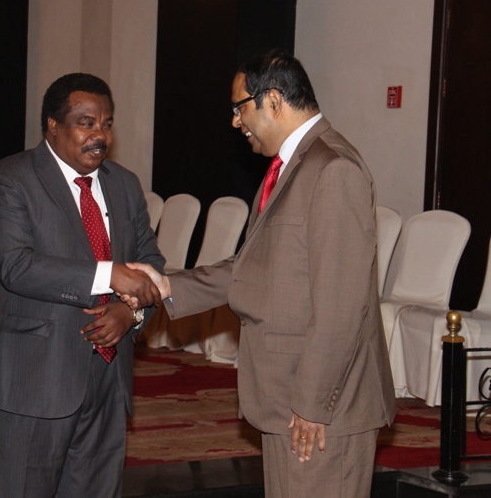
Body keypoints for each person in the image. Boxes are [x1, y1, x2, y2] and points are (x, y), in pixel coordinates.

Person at [128, 50, 396, 497]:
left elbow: (342, 306)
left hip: (322, 410)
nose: (236, 122)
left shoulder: (334, 169)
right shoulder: (291, 166)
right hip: (286, 398)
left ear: (272, 100)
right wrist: (170, 285)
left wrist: (312, 405)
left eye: (239, 108)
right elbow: (253, 266)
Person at [0, 73, 165, 497]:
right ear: (52, 125)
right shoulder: (9, 178)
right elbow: (15, 265)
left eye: (107, 124)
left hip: (109, 379)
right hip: (37, 379)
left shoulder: (124, 184)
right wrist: (108, 273)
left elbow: (151, 266)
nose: (100, 135)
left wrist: (131, 313)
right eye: (86, 123)